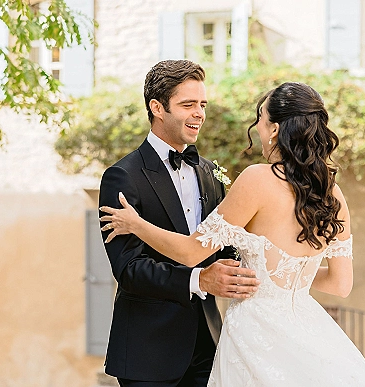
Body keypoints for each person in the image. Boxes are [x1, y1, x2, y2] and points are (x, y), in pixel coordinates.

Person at [100, 82, 365, 386]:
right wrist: (287, 275)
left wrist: (136, 224)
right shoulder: (333, 194)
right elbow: (340, 284)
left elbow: (190, 252)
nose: (258, 131)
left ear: (276, 129)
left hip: (255, 332)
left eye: (261, 121)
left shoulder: (256, 179)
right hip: (306, 329)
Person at [98, 59, 260, 387]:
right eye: (187, 104)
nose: (199, 113)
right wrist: (200, 280)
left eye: (202, 104)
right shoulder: (122, 177)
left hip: (208, 341)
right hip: (148, 351)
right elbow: (129, 270)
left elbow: (221, 247)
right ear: (157, 107)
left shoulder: (210, 173)